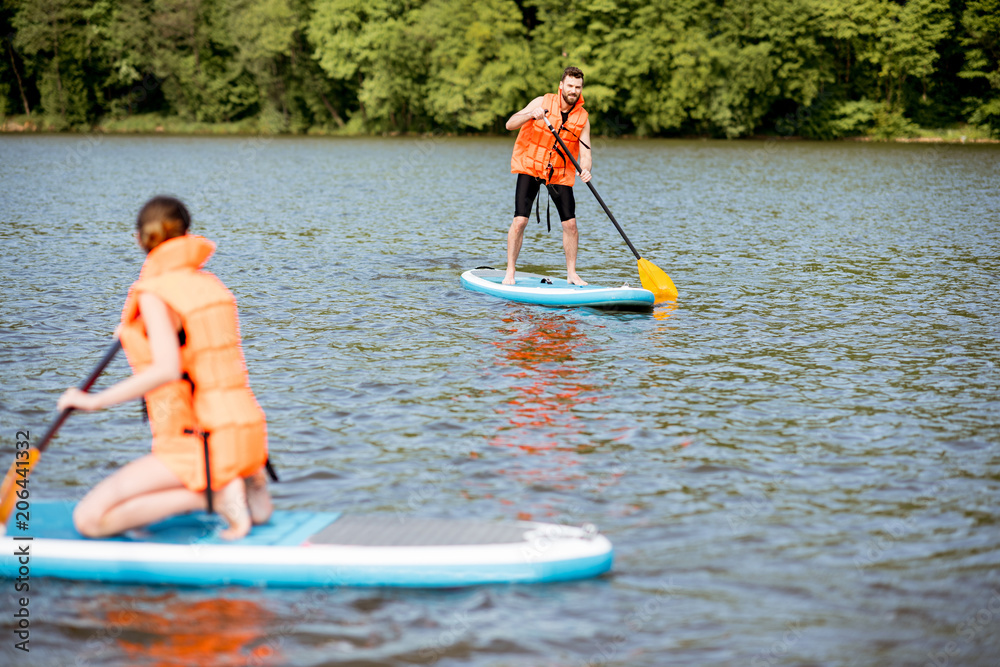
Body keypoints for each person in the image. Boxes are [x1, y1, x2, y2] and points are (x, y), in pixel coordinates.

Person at [57, 196, 272, 540]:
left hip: (199, 442)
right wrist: (135, 332)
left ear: (139, 240)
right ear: (188, 234)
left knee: (89, 520)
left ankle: (214, 496)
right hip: (245, 432)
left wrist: (91, 401)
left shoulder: (155, 293)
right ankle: (247, 481)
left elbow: (167, 369)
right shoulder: (209, 286)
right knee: (135, 502)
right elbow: (192, 347)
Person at [504, 66, 593, 286]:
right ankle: (510, 272)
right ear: (561, 85)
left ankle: (571, 274)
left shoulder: (582, 117)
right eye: (570, 86)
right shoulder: (542, 101)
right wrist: (529, 115)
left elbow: (586, 151)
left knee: (570, 225)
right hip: (531, 168)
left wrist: (586, 168)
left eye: (578, 87)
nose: (573, 90)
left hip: (559, 173)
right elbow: (509, 124)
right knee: (520, 221)